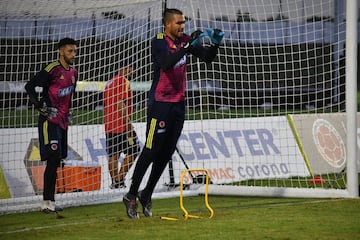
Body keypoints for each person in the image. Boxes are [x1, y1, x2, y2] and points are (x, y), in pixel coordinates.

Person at [123, 8, 224, 219]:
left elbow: (207, 59)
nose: (182, 27)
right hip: (160, 104)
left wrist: (214, 44)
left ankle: (147, 193)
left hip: (178, 105)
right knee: (150, 150)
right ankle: (131, 194)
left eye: (184, 23)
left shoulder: (184, 40)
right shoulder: (159, 41)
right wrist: (188, 46)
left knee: (166, 152)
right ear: (167, 24)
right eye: (178, 23)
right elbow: (166, 64)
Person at [25, 37, 78, 213]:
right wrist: (38, 104)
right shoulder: (52, 69)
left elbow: (70, 96)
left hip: (63, 123)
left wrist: (69, 112)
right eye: (70, 51)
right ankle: (46, 202)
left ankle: (51, 202)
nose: (73, 54)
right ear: (60, 51)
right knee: (53, 158)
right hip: (49, 122)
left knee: (57, 161)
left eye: (75, 51)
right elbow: (30, 86)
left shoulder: (73, 72)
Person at [103, 61, 140, 189]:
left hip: (109, 125)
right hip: (121, 125)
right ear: (125, 68)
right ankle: (119, 180)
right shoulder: (123, 81)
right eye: (132, 69)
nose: (134, 72)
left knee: (114, 154)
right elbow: (120, 103)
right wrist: (129, 125)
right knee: (134, 151)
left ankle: (115, 183)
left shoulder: (110, 82)